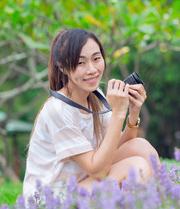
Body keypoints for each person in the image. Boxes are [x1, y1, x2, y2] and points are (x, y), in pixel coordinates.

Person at [23, 28, 159, 199]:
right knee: (136, 165)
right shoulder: (58, 110)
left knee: (141, 146)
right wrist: (118, 113)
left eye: (96, 59)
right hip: (53, 199)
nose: (92, 69)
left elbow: (113, 147)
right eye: (81, 63)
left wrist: (132, 113)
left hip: (85, 180)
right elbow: (98, 170)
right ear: (63, 67)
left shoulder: (96, 96)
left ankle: (161, 205)